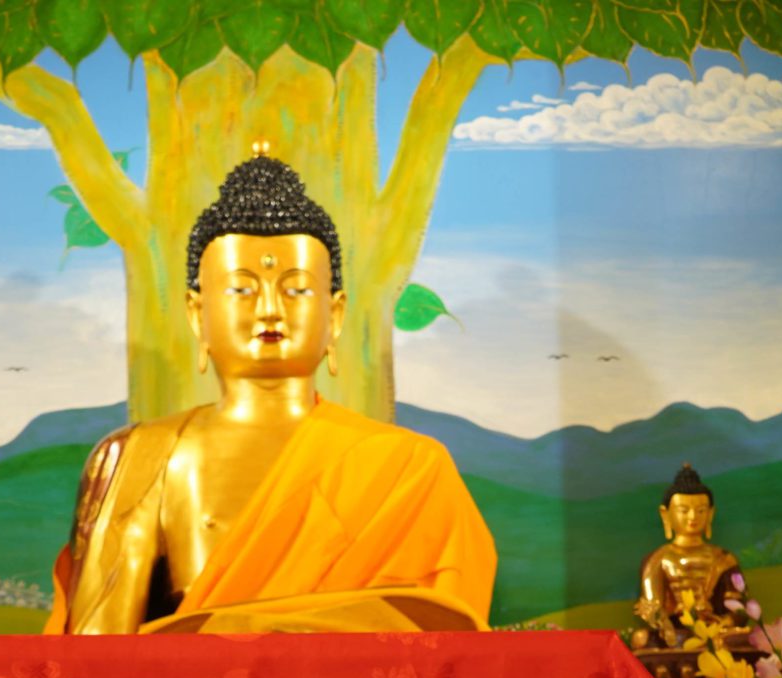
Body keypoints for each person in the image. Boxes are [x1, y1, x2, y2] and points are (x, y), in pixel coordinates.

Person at [46, 149, 495, 636]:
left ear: (335, 314)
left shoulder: (411, 468)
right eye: (241, 289)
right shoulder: (138, 457)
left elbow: (441, 646)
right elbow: (94, 657)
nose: (269, 310)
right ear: (198, 314)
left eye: (296, 289)